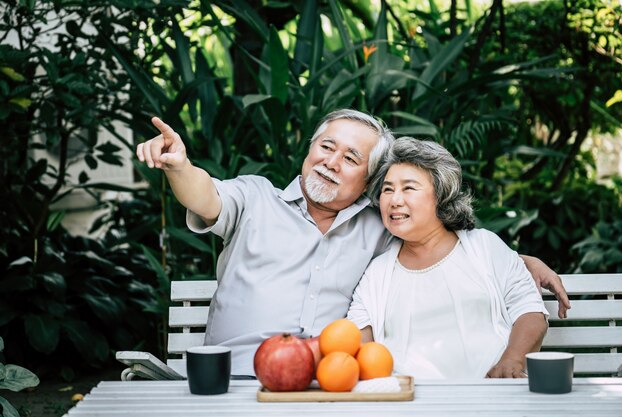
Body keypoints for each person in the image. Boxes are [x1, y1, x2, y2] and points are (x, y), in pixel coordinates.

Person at [136, 110, 569, 377]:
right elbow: (205, 196)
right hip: (231, 380)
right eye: (326, 147)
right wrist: (179, 167)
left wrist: (515, 260)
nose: (331, 162)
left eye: (350, 158)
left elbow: (437, 236)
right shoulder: (255, 198)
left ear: (367, 181)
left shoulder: (380, 226)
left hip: (326, 385)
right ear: (309, 150)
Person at [347, 137, 549, 379]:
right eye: (388, 189)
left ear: (441, 194)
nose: (394, 200)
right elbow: (361, 338)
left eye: (408, 188)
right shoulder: (376, 273)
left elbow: (530, 312)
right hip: (411, 404)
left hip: (493, 394)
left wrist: (511, 361)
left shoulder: (483, 246)